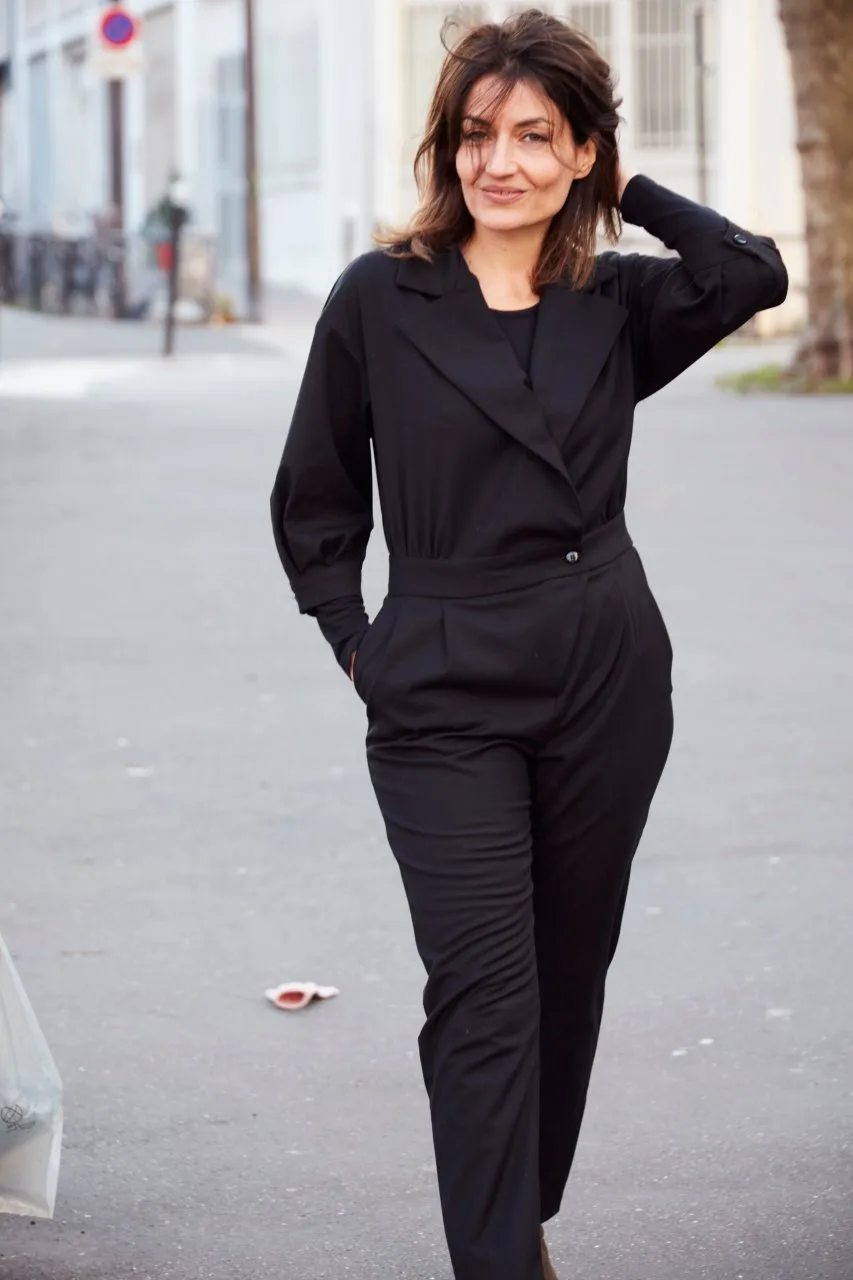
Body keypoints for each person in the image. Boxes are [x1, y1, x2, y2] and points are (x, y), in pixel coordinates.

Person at [270, 10, 788, 1279]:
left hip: (604, 671)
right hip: (441, 684)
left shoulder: (611, 300)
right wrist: (357, 643)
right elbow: (315, 498)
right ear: (444, 147)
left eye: (534, 136)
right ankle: (499, 1256)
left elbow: (748, 273)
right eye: (475, 134)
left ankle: (521, 1207)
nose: (497, 161)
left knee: (565, 969)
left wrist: (626, 189)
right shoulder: (381, 296)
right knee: (482, 988)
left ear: (581, 152)